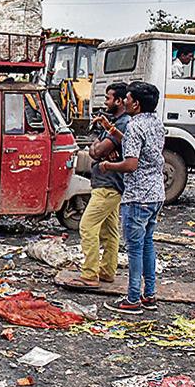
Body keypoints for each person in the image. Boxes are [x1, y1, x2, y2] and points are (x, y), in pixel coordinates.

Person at [98, 81, 166, 314]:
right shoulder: (155, 123)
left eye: (126, 98)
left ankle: (133, 298)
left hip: (138, 196)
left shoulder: (135, 126)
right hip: (156, 193)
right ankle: (149, 295)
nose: (123, 101)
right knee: (147, 244)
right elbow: (137, 145)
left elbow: (131, 164)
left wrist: (108, 165)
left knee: (134, 249)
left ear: (136, 103)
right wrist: (112, 129)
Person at [70, 82, 130, 289]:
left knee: (87, 226)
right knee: (110, 231)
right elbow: (98, 148)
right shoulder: (115, 123)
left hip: (108, 185)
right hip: (110, 185)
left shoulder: (122, 125)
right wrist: (99, 146)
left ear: (119, 101)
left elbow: (96, 151)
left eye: (108, 98)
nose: (106, 102)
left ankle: (89, 274)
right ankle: (107, 272)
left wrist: (97, 148)